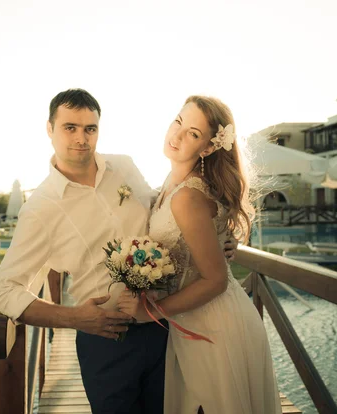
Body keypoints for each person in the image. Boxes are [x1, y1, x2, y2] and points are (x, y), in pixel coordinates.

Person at [0, 89, 236, 413]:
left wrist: (218, 238)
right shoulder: (40, 208)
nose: (81, 138)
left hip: (167, 328)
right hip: (106, 338)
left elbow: (163, 212)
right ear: (49, 129)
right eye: (70, 127)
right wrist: (74, 318)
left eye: (90, 128)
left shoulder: (124, 167)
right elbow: (3, 291)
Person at [118, 95, 281, 413]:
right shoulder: (172, 182)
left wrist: (150, 311)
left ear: (208, 147)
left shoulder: (187, 196)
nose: (176, 135)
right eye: (178, 121)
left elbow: (216, 280)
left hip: (214, 324)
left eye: (192, 133)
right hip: (191, 320)